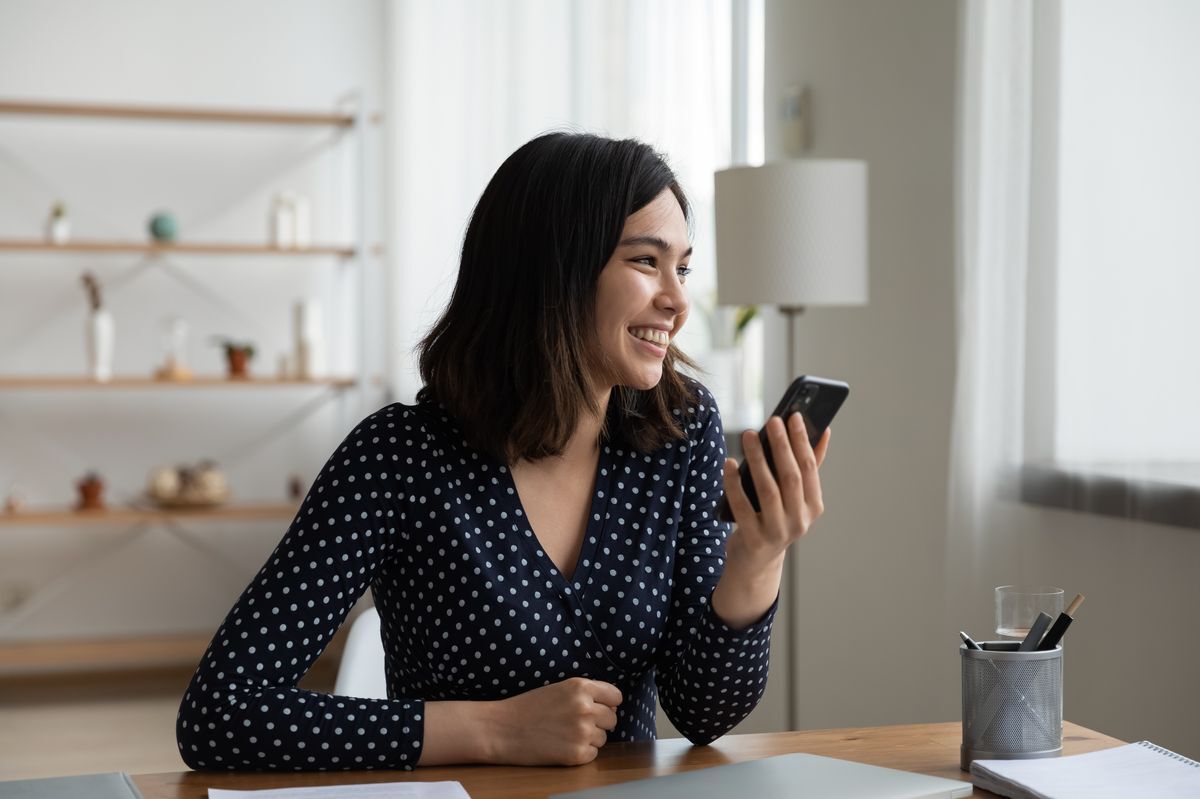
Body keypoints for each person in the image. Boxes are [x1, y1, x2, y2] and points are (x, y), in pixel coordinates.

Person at [176, 132, 831, 772]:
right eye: (645, 261)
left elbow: (702, 713)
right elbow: (220, 713)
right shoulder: (400, 455)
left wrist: (757, 558)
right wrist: (493, 729)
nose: (679, 299)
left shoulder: (680, 434)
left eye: (682, 267)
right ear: (555, 267)